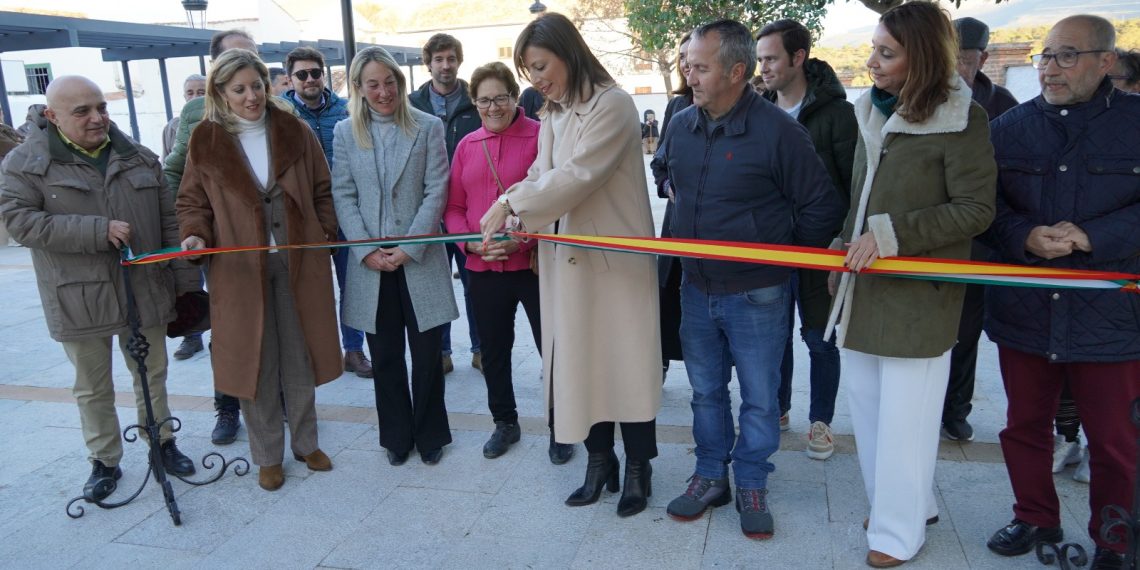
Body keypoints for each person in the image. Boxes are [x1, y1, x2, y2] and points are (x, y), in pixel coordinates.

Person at [655, 19, 844, 538]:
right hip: (696, 289)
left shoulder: (779, 131)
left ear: (738, 71)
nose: (689, 76)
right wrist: (673, 186)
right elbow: (663, 168)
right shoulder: (680, 123)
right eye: (687, 65)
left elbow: (821, 205)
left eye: (701, 66)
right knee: (705, 392)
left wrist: (778, 256)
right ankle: (710, 474)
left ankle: (753, 478)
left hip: (758, 293)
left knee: (760, 397)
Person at [825, 3, 997, 565]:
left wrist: (891, 234)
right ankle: (904, 506)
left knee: (906, 422)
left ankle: (898, 535)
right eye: (874, 49)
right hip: (863, 289)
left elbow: (975, 209)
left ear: (920, 56)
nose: (871, 62)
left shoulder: (962, 116)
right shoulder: (870, 109)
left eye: (887, 53)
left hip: (919, 295)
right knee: (872, 413)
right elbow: (860, 196)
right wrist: (840, 248)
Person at [480, 12, 662, 518]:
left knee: (626, 365)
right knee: (582, 366)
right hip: (568, 265)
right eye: (529, 72)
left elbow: (581, 175)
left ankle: (639, 468)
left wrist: (512, 204)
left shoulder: (614, 105)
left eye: (540, 66)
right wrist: (515, 207)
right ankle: (598, 463)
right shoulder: (555, 114)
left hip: (614, 265)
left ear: (567, 52)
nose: (536, 80)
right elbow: (543, 173)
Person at [983, 16, 1140, 570]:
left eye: (1067, 56)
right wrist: (1022, 236)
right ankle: (1033, 515)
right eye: (1045, 55)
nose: (1049, 68)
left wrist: (1096, 236)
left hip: (1110, 315)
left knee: (1114, 437)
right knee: (1024, 424)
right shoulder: (1007, 128)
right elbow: (986, 211)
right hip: (1025, 307)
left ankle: (1114, 539)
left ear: (1107, 62)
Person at [1, 75, 198, 502]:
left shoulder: (139, 157)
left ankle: (162, 443)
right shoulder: (23, 163)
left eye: (101, 108)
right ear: (52, 117)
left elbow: (169, 223)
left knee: (152, 374)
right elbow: (19, 221)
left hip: (143, 287)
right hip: (77, 295)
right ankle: (104, 460)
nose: (97, 118)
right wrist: (96, 230)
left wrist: (183, 282)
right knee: (92, 386)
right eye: (82, 112)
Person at [176, 49, 342, 492]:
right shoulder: (205, 140)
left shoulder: (295, 130)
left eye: (257, 86)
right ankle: (268, 454)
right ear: (220, 93)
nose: (251, 97)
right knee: (257, 360)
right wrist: (195, 234)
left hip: (298, 261)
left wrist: (324, 230)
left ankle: (307, 443)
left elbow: (322, 189)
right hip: (237, 268)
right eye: (239, 90)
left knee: (299, 356)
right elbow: (192, 202)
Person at [333, 46, 458, 467]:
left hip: (417, 258)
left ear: (400, 84)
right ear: (359, 88)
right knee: (385, 356)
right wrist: (367, 250)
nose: (383, 92)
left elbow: (436, 189)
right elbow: (343, 195)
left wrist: (408, 247)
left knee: (427, 356)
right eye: (373, 84)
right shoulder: (345, 133)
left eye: (390, 82)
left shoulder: (427, 126)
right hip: (371, 263)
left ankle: (431, 434)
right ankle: (396, 436)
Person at [443, 61, 572, 464]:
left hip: (533, 267)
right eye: (484, 100)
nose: (493, 107)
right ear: (474, 103)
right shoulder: (467, 146)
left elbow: (555, 198)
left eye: (501, 97)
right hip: (482, 269)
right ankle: (505, 422)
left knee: (550, 349)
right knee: (494, 352)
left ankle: (561, 427)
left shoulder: (539, 137)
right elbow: (454, 208)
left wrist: (520, 241)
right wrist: (473, 247)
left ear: (515, 97)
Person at [756, 19, 857, 461]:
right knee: (772, 336)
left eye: (772, 58)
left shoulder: (837, 114)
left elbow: (855, 182)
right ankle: (777, 409)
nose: (764, 68)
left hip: (820, 247)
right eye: (760, 59)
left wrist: (842, 237)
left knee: (820, 338)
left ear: (798, 58)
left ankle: (822, 421)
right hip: (771, 247)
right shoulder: (757, 109)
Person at [164, 28, 259, 447]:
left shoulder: (275, 109)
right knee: (227, 330)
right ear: (216, 70)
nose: (247, 75)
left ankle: (278, 399)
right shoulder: (196, 116)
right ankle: (228, 407)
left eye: (252, 58)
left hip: (269, 245)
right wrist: (190, 231)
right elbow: (178, 176)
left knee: (275, 323)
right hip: (222, 248)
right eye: (236, 59)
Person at [937, 16, 1020, 444]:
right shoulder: (925, 99)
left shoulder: (1003, 106)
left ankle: (955, 409)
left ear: (983, 59)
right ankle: (926, 404)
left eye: (964, 60)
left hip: (979, 243)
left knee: (966, 331)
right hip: (930, 239)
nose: (954, 69)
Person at [283, 46, 372, 380]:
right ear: (290, 79)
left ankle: (353, 349)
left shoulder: (347, 110)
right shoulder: (283, 114)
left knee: (353, 285)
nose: (310, 79)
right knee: (310, 288)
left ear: (324, 74)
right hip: (305, 216)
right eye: (302, 74)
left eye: (315, 72)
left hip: (346, 212)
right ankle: (314, 352)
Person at [408, 33, 482, 376]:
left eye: (451, 58)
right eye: (439, 59)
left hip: (469, 207)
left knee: (474, 281)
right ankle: (442, 351)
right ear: (429, 64)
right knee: (434, 283)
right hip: (428, 206)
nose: (446, 65)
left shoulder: (476, 99)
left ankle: (481, 349)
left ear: (459, 61)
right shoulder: (412, 103)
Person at [651, 32, 693, 380]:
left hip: (716, 232)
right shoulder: (676, 105)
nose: (685, 63)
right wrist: (667, 186)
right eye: (681, 56)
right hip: (675, 224)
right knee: (666, 296)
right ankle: (659, 362)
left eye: (692, 56)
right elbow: (658, 162)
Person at [162, 74, 206, 162]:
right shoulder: (171, 127)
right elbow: (166, 161)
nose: (195, 97)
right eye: (190, 93)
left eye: (201, 93)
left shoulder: (220, 124)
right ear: (184, 96)